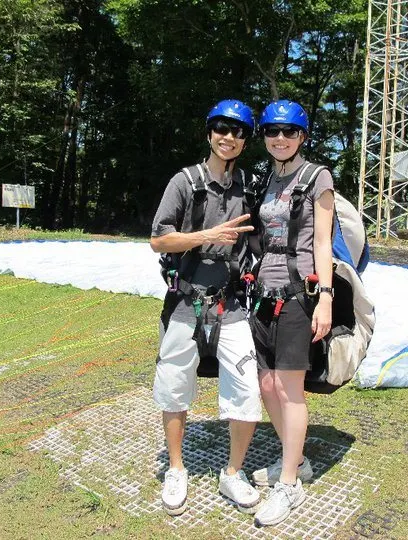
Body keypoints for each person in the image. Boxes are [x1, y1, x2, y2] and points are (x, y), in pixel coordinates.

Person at [150, 99, 263, 517]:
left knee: (246, 390)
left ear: (246, 140)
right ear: (208, 132)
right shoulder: (184, 182)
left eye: (238, 132)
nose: (228, 138)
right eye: (221, 128)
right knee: (175, 389)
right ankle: (176, 468)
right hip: (184, 301)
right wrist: (205, 235)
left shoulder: (249, 186)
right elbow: (159, 240)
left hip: (230, 303)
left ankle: (233, 471)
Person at [249, 100, 335, 527]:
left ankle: (288, 484)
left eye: (288, 131)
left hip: (300, 294)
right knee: (265, 383)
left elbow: (323, 242)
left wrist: (326, 297)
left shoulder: (318, 177)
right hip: (263, 294)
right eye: (271, 131)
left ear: (302, 136)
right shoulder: (263, 178)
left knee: (289, 388)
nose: (279, 139)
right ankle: (295, 460)